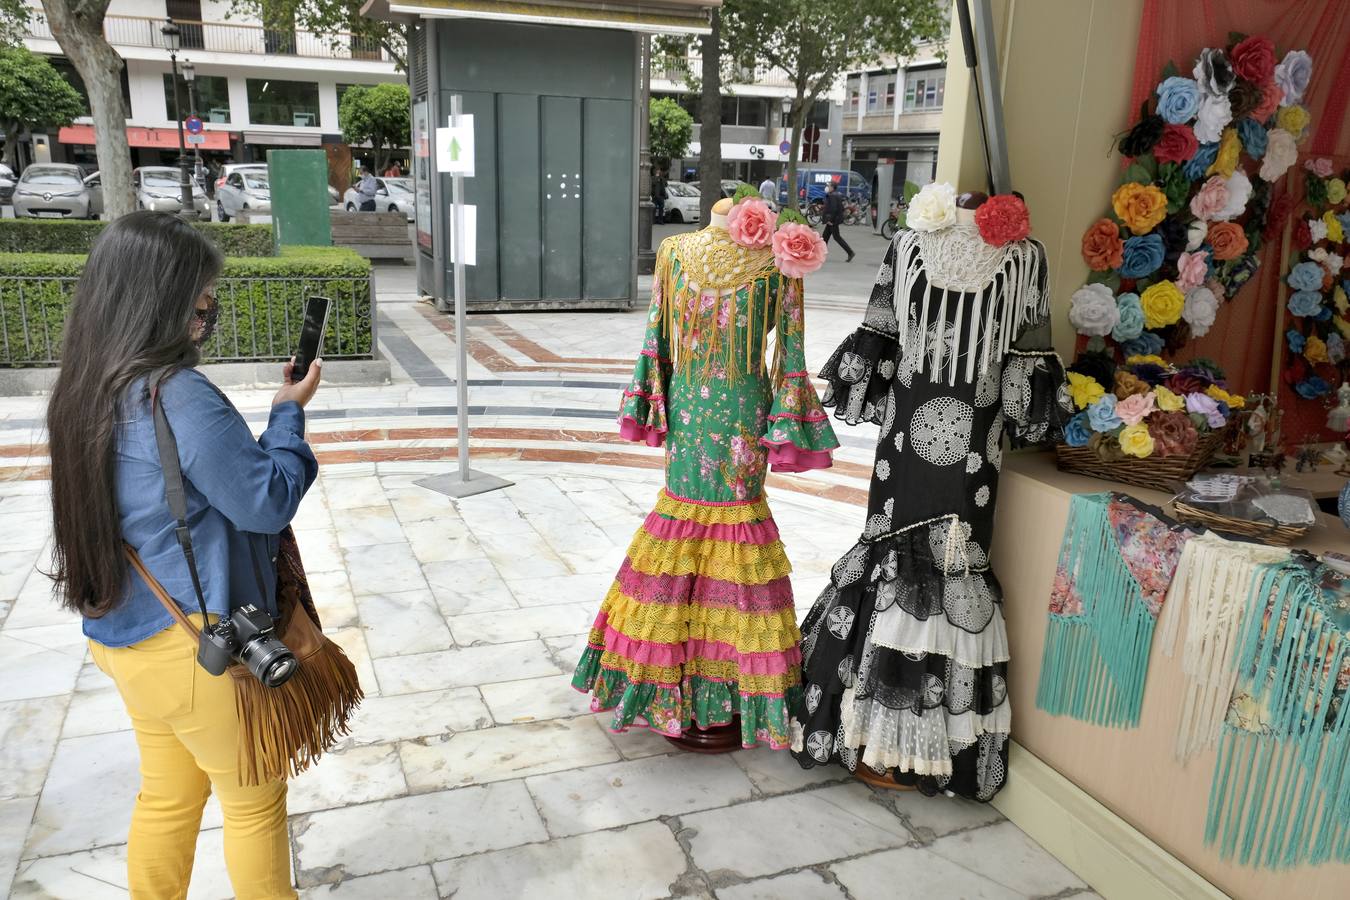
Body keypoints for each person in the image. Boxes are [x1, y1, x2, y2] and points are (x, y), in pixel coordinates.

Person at [45, 211, 322, 899]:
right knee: (254, 807)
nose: (207, 316)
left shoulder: (85, 387)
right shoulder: (177, 394)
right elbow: (267, 499)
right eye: (198, 303)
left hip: (126, 637)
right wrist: (288, 412)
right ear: (156, 301)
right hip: (199, 647)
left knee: (168, 797)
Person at [820, 181, 855, 262]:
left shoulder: (833, 196)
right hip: (833, 220)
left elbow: (833, 209)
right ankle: (820, 255)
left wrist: (830, 220)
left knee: (836, 237)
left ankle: (850, 252)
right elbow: (840, 208)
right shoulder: (835, 195)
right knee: (825, 237)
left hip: (833, 221)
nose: (827, 187)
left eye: (828, 186)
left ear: (832, 187)